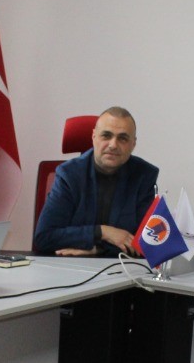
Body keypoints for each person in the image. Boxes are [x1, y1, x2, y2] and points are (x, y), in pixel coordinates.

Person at [33, 107, 158, 256]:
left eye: (123, 138)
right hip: (71, 266)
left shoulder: (143, 176)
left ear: (133, 144)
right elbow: (44, 237)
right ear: (94, 137)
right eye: (106, 136)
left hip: (120, 267)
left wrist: (97, 250)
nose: (113, 145)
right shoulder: (69, 175)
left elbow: (147, 242)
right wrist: (102, 232)